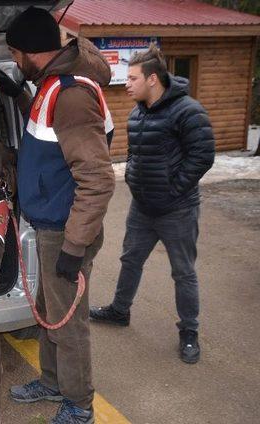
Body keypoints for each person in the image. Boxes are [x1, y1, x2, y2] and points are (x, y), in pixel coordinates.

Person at [0, 7, 115, 424]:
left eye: (13, 53)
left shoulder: (71, 94)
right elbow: (47, 134)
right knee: (48, 308)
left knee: (68, 322)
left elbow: (97, 179)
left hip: (66, 230)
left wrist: (75, 246)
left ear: (29, 52)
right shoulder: (47, 85)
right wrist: (13, 91)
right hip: (50, 225)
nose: (13, 60)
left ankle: (79, 405)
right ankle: (52, 381)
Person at [90, 46, 215, 364]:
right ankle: (120, 311)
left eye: (132, 78)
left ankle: (189, 332)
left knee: (183, 273)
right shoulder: (137, 112)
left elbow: (202, 156)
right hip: (142, 208)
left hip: (178, 209)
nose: (127, 83)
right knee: (130, 260)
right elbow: (135, 153)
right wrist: (133, 177)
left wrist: (173, 190)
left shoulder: (189, 110)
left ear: (153, 79)